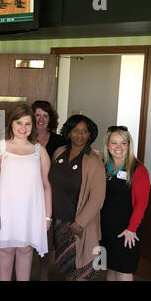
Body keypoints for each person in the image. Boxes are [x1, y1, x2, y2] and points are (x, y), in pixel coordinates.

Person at [0, 103, 52, 281]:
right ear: (11, 124)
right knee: (5, 250)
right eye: (19, 123)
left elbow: (46, 185)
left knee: (26, 250)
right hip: (4, 211)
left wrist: (47, 217)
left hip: (31, 212)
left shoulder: (40, 150)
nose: (23, 128)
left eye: (28, 124)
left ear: (33, 126)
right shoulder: (0, 147)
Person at [49, 114, 106, 281]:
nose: (80, 135)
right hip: (60, 222)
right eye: (75, 130)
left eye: (85, 131)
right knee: (68, 268)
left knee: (82, 271)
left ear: (90, 134)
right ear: (68, 132)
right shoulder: (59, 152)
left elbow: (97, 197)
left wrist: (80, 223)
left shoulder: (93, 161)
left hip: (81, 225)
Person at [100, 126, 150, 281]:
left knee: (123, 271)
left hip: (126, 231)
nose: (118, 147)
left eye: (123, 143)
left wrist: (131, 229)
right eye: (114, 143)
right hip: (105, 228)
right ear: (107, 145)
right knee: (111, 267)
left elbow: (141, 205)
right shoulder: (103, 166)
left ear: (129, 145)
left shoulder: (138, 170)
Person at [31, 100, 65, 281]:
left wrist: (91, 153)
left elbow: (76, 153)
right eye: (37, 115)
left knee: (46, 237)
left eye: (45, 115)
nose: (41, 119)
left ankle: (43, 275)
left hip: (48, 194)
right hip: (27, 194)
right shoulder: (24, 137)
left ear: (50, 119)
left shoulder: (59, 140)